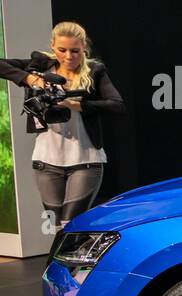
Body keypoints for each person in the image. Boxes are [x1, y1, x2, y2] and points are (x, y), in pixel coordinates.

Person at [0, 21, 124, 226]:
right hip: (46, 161)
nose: (68, 56)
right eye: (62, 50)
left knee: (70, 223)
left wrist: (79, 105)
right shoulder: (40, 66)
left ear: (84, 46)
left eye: (75, 51)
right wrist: (28, 78)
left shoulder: (94, 71)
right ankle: (58, 258)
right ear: (52, 46)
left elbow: (117, 106)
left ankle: (65, 258)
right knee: (52, 225)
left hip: (85, 159)